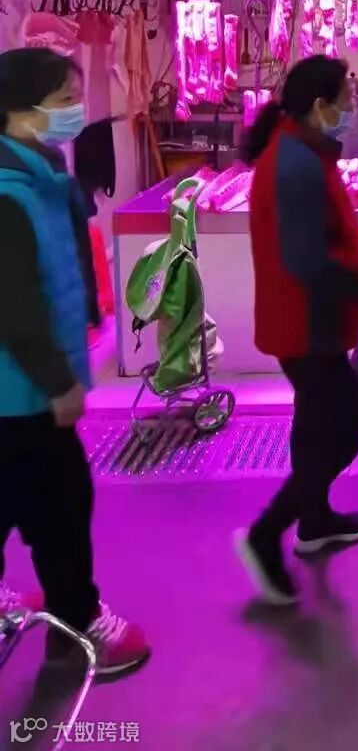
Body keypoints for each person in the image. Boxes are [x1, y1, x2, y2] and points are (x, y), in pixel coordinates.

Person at [0, 47, 150, 674]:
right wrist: (59, 381)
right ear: (21, 109)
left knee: (20, 499)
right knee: (61, 506)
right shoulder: (9, 193)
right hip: (20, 390)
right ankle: (79, 624)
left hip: (26, 386)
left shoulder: (43, 176)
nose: (76, 111)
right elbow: (14, 306)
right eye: (64, 99)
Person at [234, 55, 358, 607]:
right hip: (306, 321)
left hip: (307, 319)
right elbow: (306, 260)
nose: (352, 109)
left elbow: (322, 235)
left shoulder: (302, 150)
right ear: (320, 105)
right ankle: (264, 534)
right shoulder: (295, 163)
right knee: (345, 426)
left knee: (317, 419)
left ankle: (316, 520)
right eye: (347, 99)